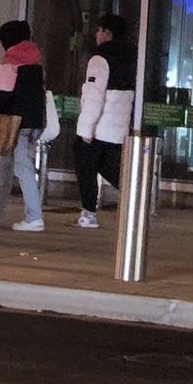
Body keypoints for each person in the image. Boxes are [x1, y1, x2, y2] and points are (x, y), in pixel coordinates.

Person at [0, 19, 47, 232]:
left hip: (15, 123)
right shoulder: (36, 58)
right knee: (4, 167)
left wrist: (1, 111)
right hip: (33, 120)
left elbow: (3, 97)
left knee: (22, 167)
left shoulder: (10, 59)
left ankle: (34, 217)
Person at [72, 13, 135, 229]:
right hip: (118, 127)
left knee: (85, 165)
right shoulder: (130, 57)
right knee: (110, 168)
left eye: (99, 30)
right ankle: (136, 196)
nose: (96, 35)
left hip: (100, 126)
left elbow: (94, 95)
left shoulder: (99, 59)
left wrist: (86, 129)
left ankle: (89, 212)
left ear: (107, 33)